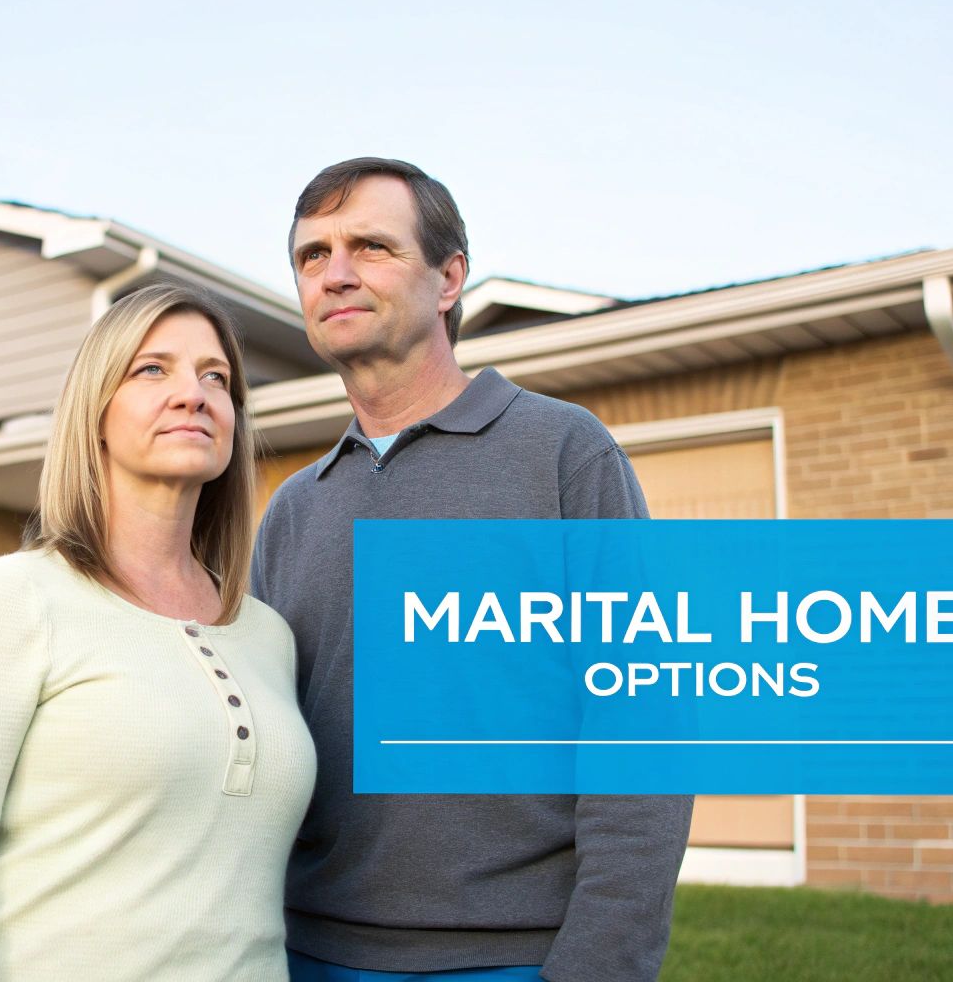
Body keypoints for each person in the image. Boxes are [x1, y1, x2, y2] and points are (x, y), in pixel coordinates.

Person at [252, 158, 694, 982]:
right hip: (304, 953)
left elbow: (644, 734)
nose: (336, 274)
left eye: (371, 246)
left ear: (449, 277)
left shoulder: (562, 454)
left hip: (511, 956)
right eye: (313, 256)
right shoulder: (292, 509)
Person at [0, 283, 317, 981]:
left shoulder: (268, 634)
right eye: (153, 369)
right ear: (96, 414)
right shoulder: (13, 599)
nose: (194, 393)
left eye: (217, 377)